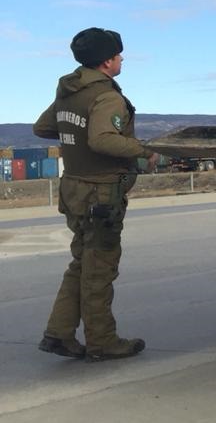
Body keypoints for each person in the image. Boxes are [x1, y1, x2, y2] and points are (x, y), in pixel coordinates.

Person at [34, 28, 159, 362]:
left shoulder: (70, 91)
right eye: (118, 55)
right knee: (100, 268)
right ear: (107, 61)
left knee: (82, 262)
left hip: (73, 188)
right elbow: (103, 139)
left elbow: (43, 127)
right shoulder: (106, 96)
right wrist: (143, 150)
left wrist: (73, 133)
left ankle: (59, 333)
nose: (121, 59)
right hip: (100, 193)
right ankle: (102, 341)